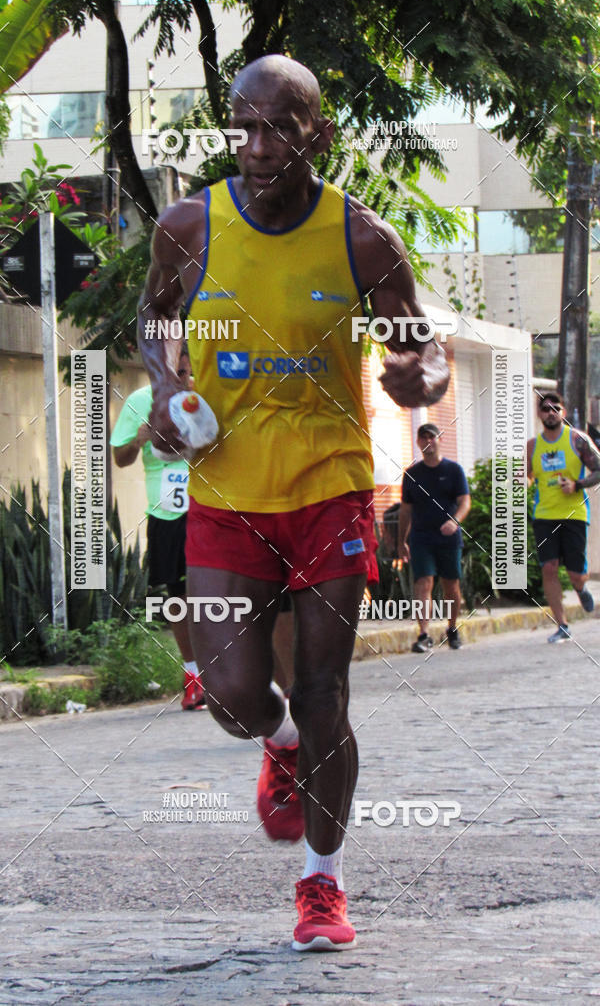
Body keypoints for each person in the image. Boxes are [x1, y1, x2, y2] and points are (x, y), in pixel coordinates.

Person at [138, 54, 449, 951]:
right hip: (226, 491)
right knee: (233, 694)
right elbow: (154, 316)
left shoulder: (363, 239)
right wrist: (165, 382)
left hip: (328, 491)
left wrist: (419, 376)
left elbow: (420, 345)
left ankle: (322, 880)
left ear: (320, 133)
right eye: (243, 126)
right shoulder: (189, 225)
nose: (258, 145)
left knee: (324, 692)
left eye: (279, 127)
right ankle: (276, 742)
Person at [110, 349, 206, 710]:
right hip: (167, 512)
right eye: (171, 371)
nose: (179, 378)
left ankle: (229, 670)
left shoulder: (205, 397)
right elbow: (121, 459)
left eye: (183, 371)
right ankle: (193, 676)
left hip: (208, 506)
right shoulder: (140, 401)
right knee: (178, 595)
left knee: (218, 588)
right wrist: (139, 439)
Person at [527, 391, 600, 642]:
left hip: (574, 514)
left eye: (555, 408)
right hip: (544, 514)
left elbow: (598, 469)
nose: (551, 413)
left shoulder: (578, 440)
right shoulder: (533, 446)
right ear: (539, 414)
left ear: (563, 412)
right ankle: (562, 625)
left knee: (575, 573)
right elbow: (526, 475)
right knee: (549, 568)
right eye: (546, 409)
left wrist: (577, 484)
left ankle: (580, 588)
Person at [397, 424, 471, 652]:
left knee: (451, 585)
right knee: (423, 583)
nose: (428, 441)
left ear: (440, 440)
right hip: (421, 538)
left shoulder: (454, 470)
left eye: (432, 437)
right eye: (423, 437)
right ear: (418, 442)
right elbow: (405, 510)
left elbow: (465, 501)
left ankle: (452, 628)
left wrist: (455, 521)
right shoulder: (412, 474)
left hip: (448, 537)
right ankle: (423, 634)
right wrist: (401, 542)